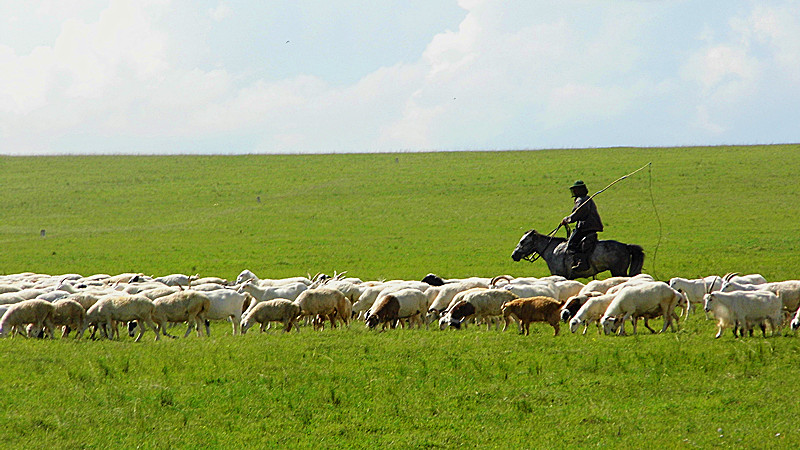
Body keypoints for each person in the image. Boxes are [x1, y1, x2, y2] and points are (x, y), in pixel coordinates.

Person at [560, 180, 603, 272]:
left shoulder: (581, 200)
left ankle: (582, 263)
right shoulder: (587, 198)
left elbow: (578, 214)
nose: (574, 192)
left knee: (572, 243)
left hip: (586, 226)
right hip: (591, 225)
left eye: (575, 190)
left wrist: (567, 220)